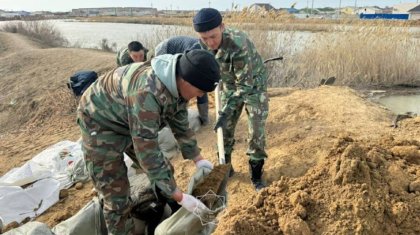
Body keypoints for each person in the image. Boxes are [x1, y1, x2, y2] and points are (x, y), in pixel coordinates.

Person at [77, 49, 220, 234]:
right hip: (99, 123)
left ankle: (166, 212)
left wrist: (197, 158)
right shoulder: (147, 92)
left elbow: (180, 123)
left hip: (128, 117)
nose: (200, 96)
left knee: (165, 170)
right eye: (200, 90)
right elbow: (148, 152)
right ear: (185, 80)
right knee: (116, 196)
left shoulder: (177, 81)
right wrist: (180, 196)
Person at [193, 8, 269, 191]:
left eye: (213, 36)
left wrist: (226, 110)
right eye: (205, 38)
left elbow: (245, 85)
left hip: (253, 86)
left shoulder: (237, 43)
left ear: (222, 27)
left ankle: (256, 176)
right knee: (223, 129)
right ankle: (226, 168)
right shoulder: (202, 44)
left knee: (256, 130)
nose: (210, 42)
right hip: (229, 85)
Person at [155, 36, 210, 125]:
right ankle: (168, 115)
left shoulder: (207, 56)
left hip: (180, 50)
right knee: (171, 85)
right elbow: (183, 76)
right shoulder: (192, 54)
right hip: (165, 48)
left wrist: (204, 120)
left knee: (201, 88)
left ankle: (203, 118)